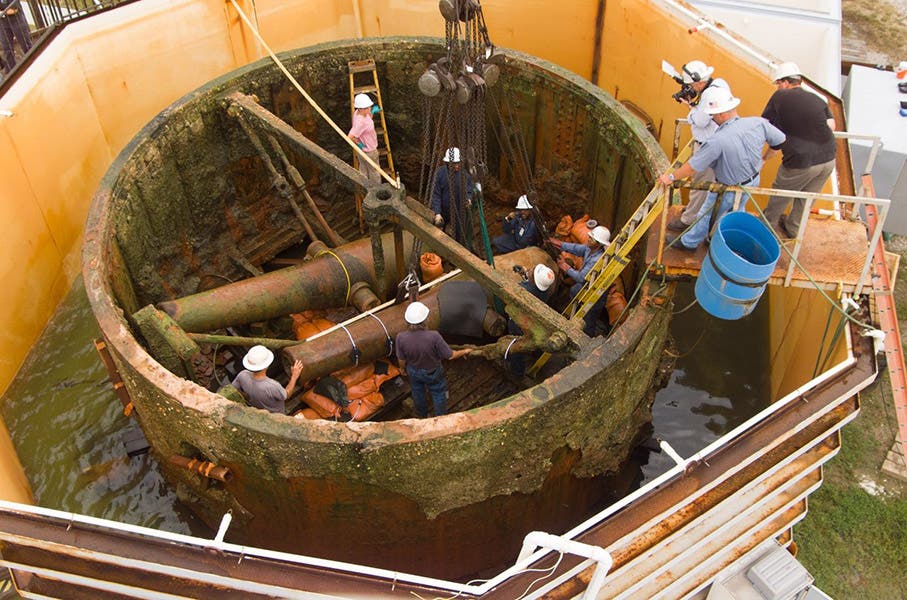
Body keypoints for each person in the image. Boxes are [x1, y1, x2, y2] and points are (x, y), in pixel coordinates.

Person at [658, 86, 786, 251]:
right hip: (753, 180)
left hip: (727, 187)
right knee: (736, 211)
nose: (712, 119)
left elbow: (692, 167)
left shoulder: (717, 140)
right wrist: (764, 160)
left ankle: (689, 242)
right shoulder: (757, 123)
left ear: (721, 114)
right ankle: (719, 239)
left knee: (707, 214)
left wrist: (670, 178)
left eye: (712, 115)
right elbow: (779, 141)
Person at [760, 62, 837, 238]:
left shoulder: (780, 97)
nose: (778, 86)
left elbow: (766, 127)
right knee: (807, 199)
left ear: (785, 82)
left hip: (801, 161)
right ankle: (793, 229)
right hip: (828, 158)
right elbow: (831, 125)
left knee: (780, 195)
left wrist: (764, 159)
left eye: (779, 82)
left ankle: (766, 229)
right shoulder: (817, 99)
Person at [668, 60, 731, 232]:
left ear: (699, 82)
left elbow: (701, 121)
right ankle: (694, 211)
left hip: (707, 147)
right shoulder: (720, 84)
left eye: (691, 85)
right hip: (718, 144)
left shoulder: (708, 96)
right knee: (706, 185)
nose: (690, 89)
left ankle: (689, 220)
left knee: (699, 184)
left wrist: (690, 109)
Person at [395, 301, 471, 418]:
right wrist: (464, 351)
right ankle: (439, 417)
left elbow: (401, 358)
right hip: (432, 372)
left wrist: (402, 369)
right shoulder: (434, 336)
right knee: (439, 392)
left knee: (417, 392)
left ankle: (422, 415)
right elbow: (450, 355)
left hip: (413, 371)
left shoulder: (400, 337)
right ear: (425, 320)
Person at [548, 225, 611, 335]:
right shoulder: (589, 248)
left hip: (593, 295)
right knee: (574, 290)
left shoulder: (597, 260)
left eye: (592, 238)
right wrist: (558, 243)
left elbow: (581, 278)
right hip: (585, 287)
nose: (588, 238)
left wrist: (565, 266)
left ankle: (586, 340)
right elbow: (575, 248)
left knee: (587, 321)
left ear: (598, 243)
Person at [506, 264, 555, 375]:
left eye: (532, 271)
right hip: (535, 320)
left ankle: (517, 371)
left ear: (533, 279)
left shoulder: (523, 290)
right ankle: (538, 356)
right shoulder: (544, 289)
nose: (530, 268)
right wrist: (524, 273)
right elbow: (533, 284)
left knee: (517, 345)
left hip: (519, 323)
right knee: (536, 338)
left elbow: (510, 291)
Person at [232, 345, 303, 414]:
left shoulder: (242, 374)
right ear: (267, 365)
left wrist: (249, 397)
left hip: (258, 409)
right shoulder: (272, 386)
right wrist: (294, 376)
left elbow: (234, 388)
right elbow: (287, 395)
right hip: (276, 415)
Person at [431, 147, 473, 243]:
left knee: (460, 234)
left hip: (459, 210)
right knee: (438, 232)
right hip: (443, 209)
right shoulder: (440, 173)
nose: (457, 166)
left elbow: (469, 190)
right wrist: (437, 213)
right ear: (447, 163)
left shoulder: (464, 175)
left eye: (458, 163)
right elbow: (435, 194)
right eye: (454, 164)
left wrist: (469, 199)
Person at [348, 93, 380, 185]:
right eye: (367, 108)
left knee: (363, 170)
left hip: (362, 150)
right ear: (360, 108)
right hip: (369, 151)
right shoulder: (360, 122)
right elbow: (350, 137)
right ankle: (376, 191)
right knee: (374, 172)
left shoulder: (357, 113)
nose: (369, 108)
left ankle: (364, 187)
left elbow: (368, 120)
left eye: (369, 107)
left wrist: (372, 112)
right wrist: (360, 144)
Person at [0, 0, 31, 74]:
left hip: (16, 19)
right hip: (2, 22)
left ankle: (33, 62)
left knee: (25, 44)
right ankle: (12, 72)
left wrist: (2, 12)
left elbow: (13, 9)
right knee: (7, 48)